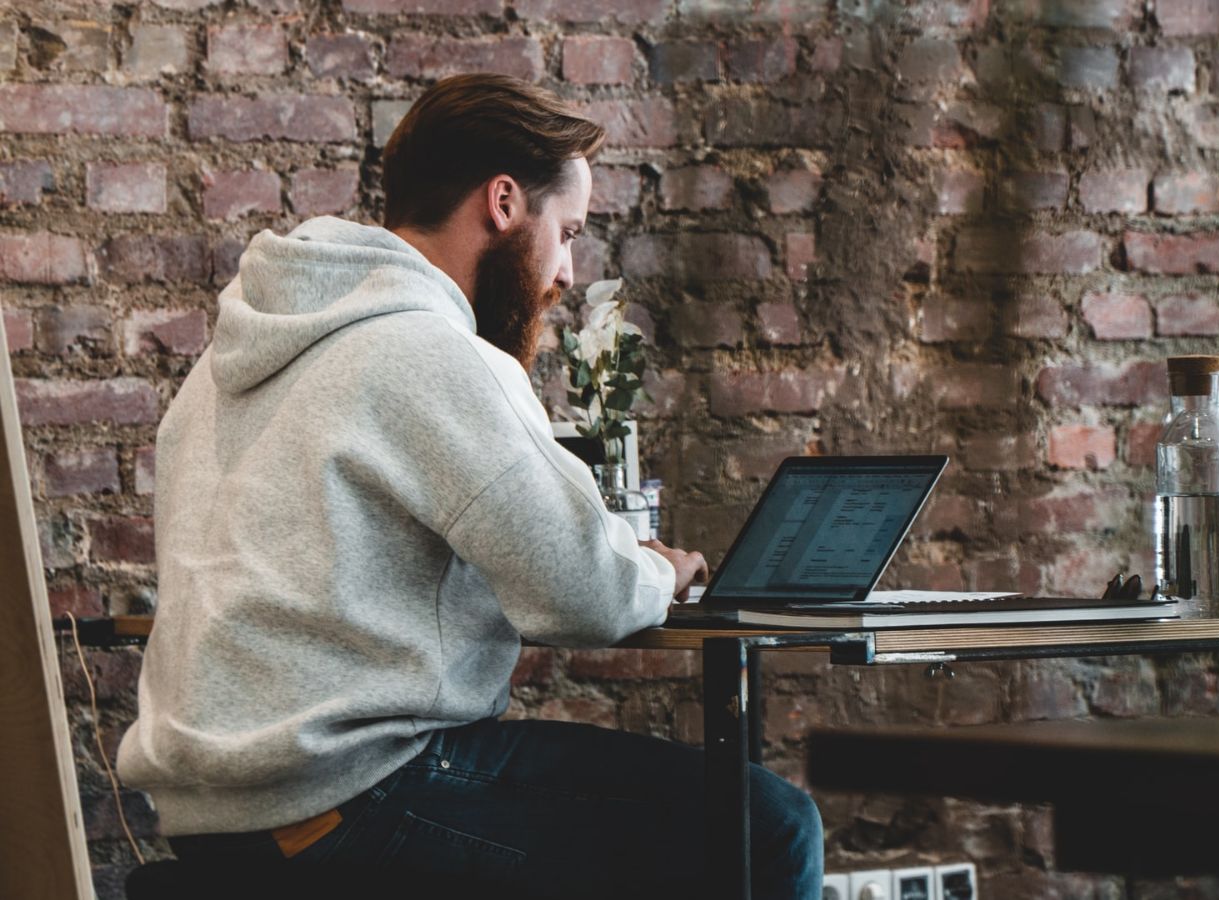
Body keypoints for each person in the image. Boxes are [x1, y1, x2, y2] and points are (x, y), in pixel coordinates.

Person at [116, 73, 823, 898]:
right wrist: (661, 568)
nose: (565, 271)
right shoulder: (429, 352)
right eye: (568, 231)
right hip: (353, 794)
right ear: (503, 204)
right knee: (768, 827)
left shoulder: (221, 368)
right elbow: (585, 590)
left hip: (210, 816)